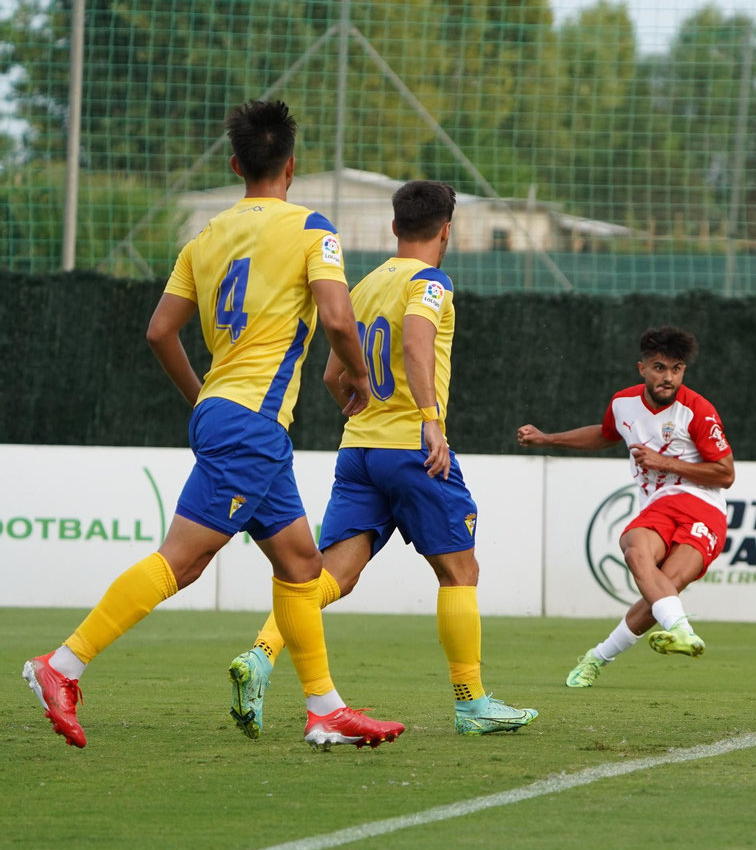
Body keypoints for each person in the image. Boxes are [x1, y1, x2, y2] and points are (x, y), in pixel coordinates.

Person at [22, 100, 404, 749]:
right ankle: (61, 666)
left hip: (233, 417)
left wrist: (203, 396)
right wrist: (363, 381)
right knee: (186, 560)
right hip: (253, 423)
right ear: (292, 166)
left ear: (235, 165)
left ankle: (324, 709)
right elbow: (340, 322)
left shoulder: (205, 238)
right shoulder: (313, 228)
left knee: (301, 565)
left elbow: (159, 331)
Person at [225, 180, 538, 737]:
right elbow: (418, 344)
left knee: (328, 577)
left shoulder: (366, 284)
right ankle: (472, 704)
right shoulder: (431, 282)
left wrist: (359, 409)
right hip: (411, 449)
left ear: (395, 227)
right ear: (447, 231)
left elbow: (331, 373)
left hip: (359, 451)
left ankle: (260, 656)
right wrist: (429, 421)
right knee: (460, 572)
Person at [516, 326, 734, 687]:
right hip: (660, 505)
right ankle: (681, 629)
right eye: (659, 368)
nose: (668, 377)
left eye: (676, 369)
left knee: (666, 588)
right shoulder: (623, 403)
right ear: (642, 369)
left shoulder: (698, 410)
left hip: (704, 506)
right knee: (635, 548)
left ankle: (597, 657)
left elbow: (725, 474)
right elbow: (605, 434)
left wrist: (665, 463)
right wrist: (546, 437)